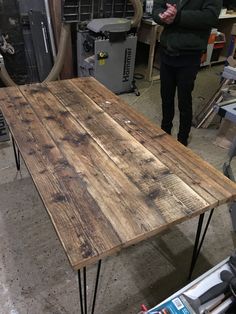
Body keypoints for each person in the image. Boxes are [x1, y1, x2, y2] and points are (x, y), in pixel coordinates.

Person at [152, 0, 222, 146]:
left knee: (184, 99)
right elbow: (157, 8)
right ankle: (165, 132)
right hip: (167, 50)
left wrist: (177, 16)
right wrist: (162, 16)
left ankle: (182, 139)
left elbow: (210, 17)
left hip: (189, 54)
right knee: (166, 96)